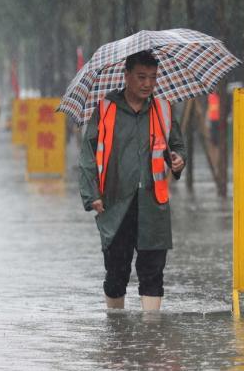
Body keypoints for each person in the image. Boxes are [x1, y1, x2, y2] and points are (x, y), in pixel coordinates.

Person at [79, 50, 187, 311]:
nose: (147, 84)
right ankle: (117, 333)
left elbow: (178, 145)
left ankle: (150, 339)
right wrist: (91, 194)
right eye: (141, 77)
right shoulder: (105, 109)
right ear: (126, 76)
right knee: (116, 272)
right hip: (115, 203)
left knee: (153, 273)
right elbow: (88, 155)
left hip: (153, 203)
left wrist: (178, 159)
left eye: (152, 77)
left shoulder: (163, 109)